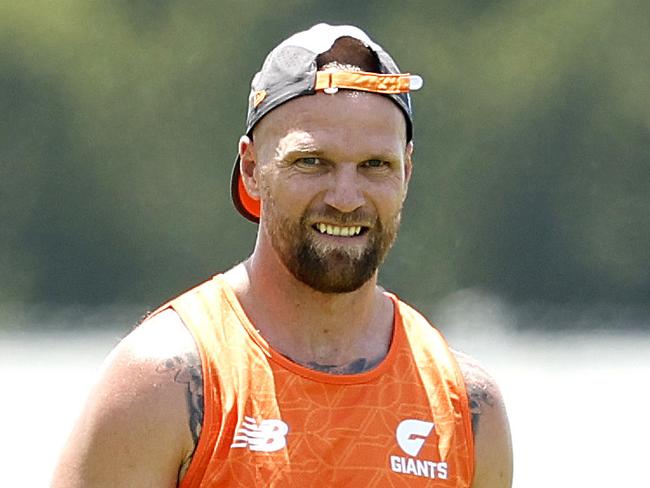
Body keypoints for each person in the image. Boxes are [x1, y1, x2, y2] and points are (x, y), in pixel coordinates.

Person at [52, 23, 512, 487]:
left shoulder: (466, 408)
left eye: (375, 165)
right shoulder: (165, 384)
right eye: (312, 162)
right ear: (252, 169)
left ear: (407, 173)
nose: (347, 197)